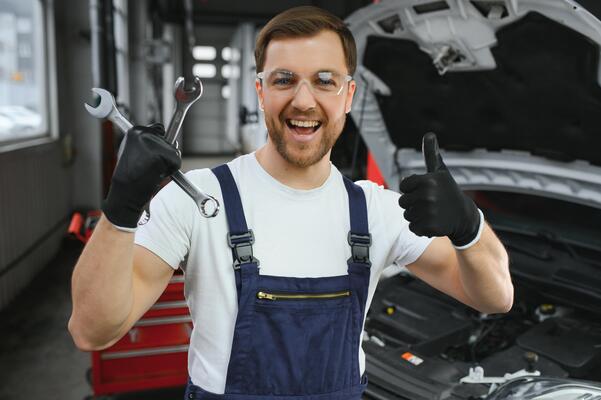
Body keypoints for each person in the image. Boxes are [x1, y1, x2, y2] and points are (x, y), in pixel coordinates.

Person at [68, 6, 513, 399]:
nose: (303, 100)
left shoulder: (377, 210)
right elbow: (92, 330)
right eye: (284, 80)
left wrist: (468, 227)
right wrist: (121, 209)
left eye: (325, 81)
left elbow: (495, 298)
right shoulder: (199, 198)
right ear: (261, 91)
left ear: (349, 96)